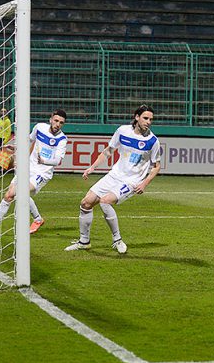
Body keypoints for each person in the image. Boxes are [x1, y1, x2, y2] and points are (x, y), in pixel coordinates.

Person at [67, 104, 161, 254]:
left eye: (151, 119)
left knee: (105, 201)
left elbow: (156, 166)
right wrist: (92, 167)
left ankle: (117, 240)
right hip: (114, 175)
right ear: (137, 117)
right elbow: (108, 151)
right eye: (145, 118)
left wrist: (144, 184)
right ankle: (84, 242)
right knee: (86, 202)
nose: (148, 122)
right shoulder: (122, 131)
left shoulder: (152, 141)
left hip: (131, 181)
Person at [0, 109, 68, 236]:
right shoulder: (39, 127)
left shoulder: (62, 139)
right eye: (56, 121)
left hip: (42, 173)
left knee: (20, 192)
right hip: (28, 168)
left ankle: (37, 219)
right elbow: (29, 140)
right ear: (51, 119)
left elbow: (58, 160)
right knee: (8, 195)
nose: (58, 124)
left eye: (61, 123)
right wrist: (16, 147)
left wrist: (44, 161)